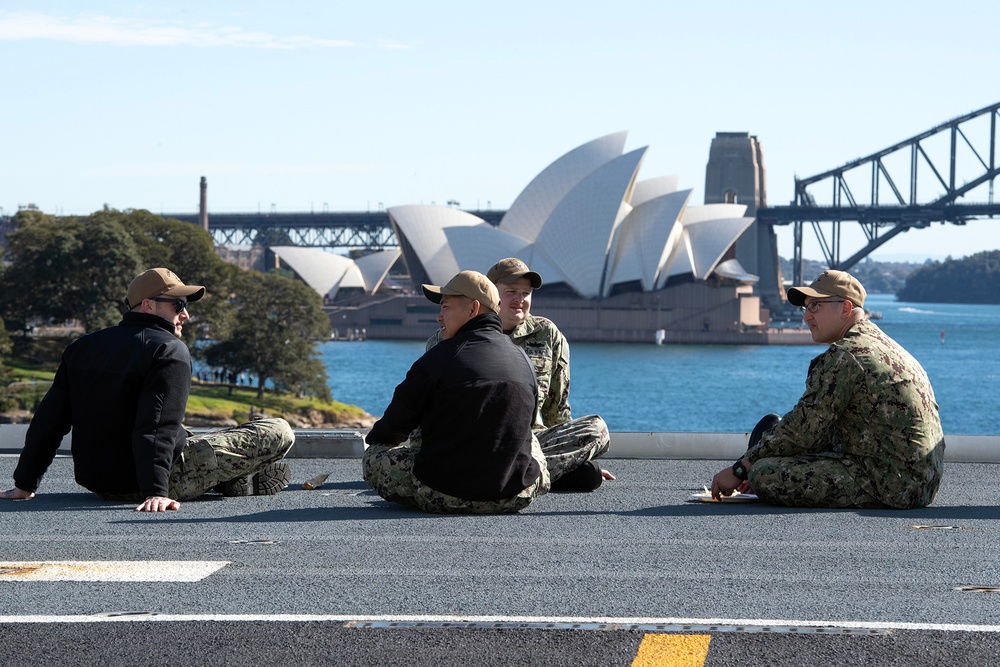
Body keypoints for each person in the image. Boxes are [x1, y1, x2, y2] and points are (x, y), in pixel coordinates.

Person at [0, 267, 295, 512]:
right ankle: (226, 478)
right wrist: (156, 492)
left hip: (100, 485)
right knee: (278, 430)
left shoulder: (82, 346)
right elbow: (156, 427)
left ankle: (229, 480)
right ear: (148, 305)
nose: (186, 314)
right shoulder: (169, 350)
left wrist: (24, 486)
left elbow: (48, 422)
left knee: (191, 434)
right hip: (150, 483)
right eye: (178, 305)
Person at [711, 270, 945, 509]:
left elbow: (802, 431)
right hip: (922, 482)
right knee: (773, 440)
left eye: (815, 306)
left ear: (845, 308)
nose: (806, 317)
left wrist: (741, 468)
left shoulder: (846, 355)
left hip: (892, 486)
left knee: (764, 473)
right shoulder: (886, 345)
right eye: (806, 308)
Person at [363, 270, 548, 513]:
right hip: (515, 495)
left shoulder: (438, 358)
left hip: (444, 494)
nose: (439, 317)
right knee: (531, 438)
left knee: (373, 456)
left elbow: (390, 430)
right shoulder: (524, 360)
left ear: (473, 309)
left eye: (445, 307)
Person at [428, 258, 612, 491]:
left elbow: (558, 410)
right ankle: (529, 477)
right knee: (586, 477)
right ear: (490, 296)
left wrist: (578, 454)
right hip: (471, 441)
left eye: (526, 293)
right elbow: (429, 406)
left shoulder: (547, 335)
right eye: (511, 292)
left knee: (597, 431)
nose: (520, 300)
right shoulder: (452, 334)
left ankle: (507, 476)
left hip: (529, 443)